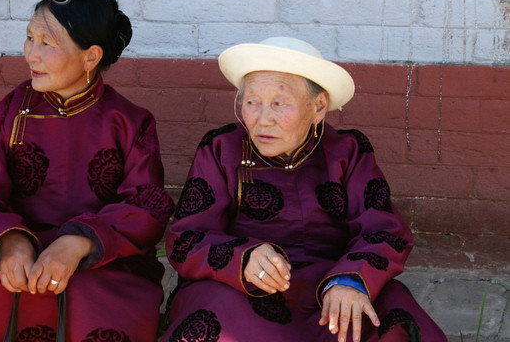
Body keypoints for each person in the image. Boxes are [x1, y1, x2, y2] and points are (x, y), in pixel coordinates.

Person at [0, 0, 174, 342]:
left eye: (47, 43)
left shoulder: (131, 123)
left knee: (90, 308)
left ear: (90, 57)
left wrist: (79, 243)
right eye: (29, 38)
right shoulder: (12, 111)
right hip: (25, 252)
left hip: (104, 259)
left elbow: (146, 207)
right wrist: (11, 242)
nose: (31, 54)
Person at [160, 37, 447, 342]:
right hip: (243, 290)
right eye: (252, 102)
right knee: (215, 315)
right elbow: (186, 240)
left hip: (331, 287)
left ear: (318, 106)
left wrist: (350, 279)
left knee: (389, 316)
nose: (263, 119)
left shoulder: (347, 151)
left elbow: (385, 230)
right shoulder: (221, 148)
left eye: (279, 103)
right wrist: (242, 258)